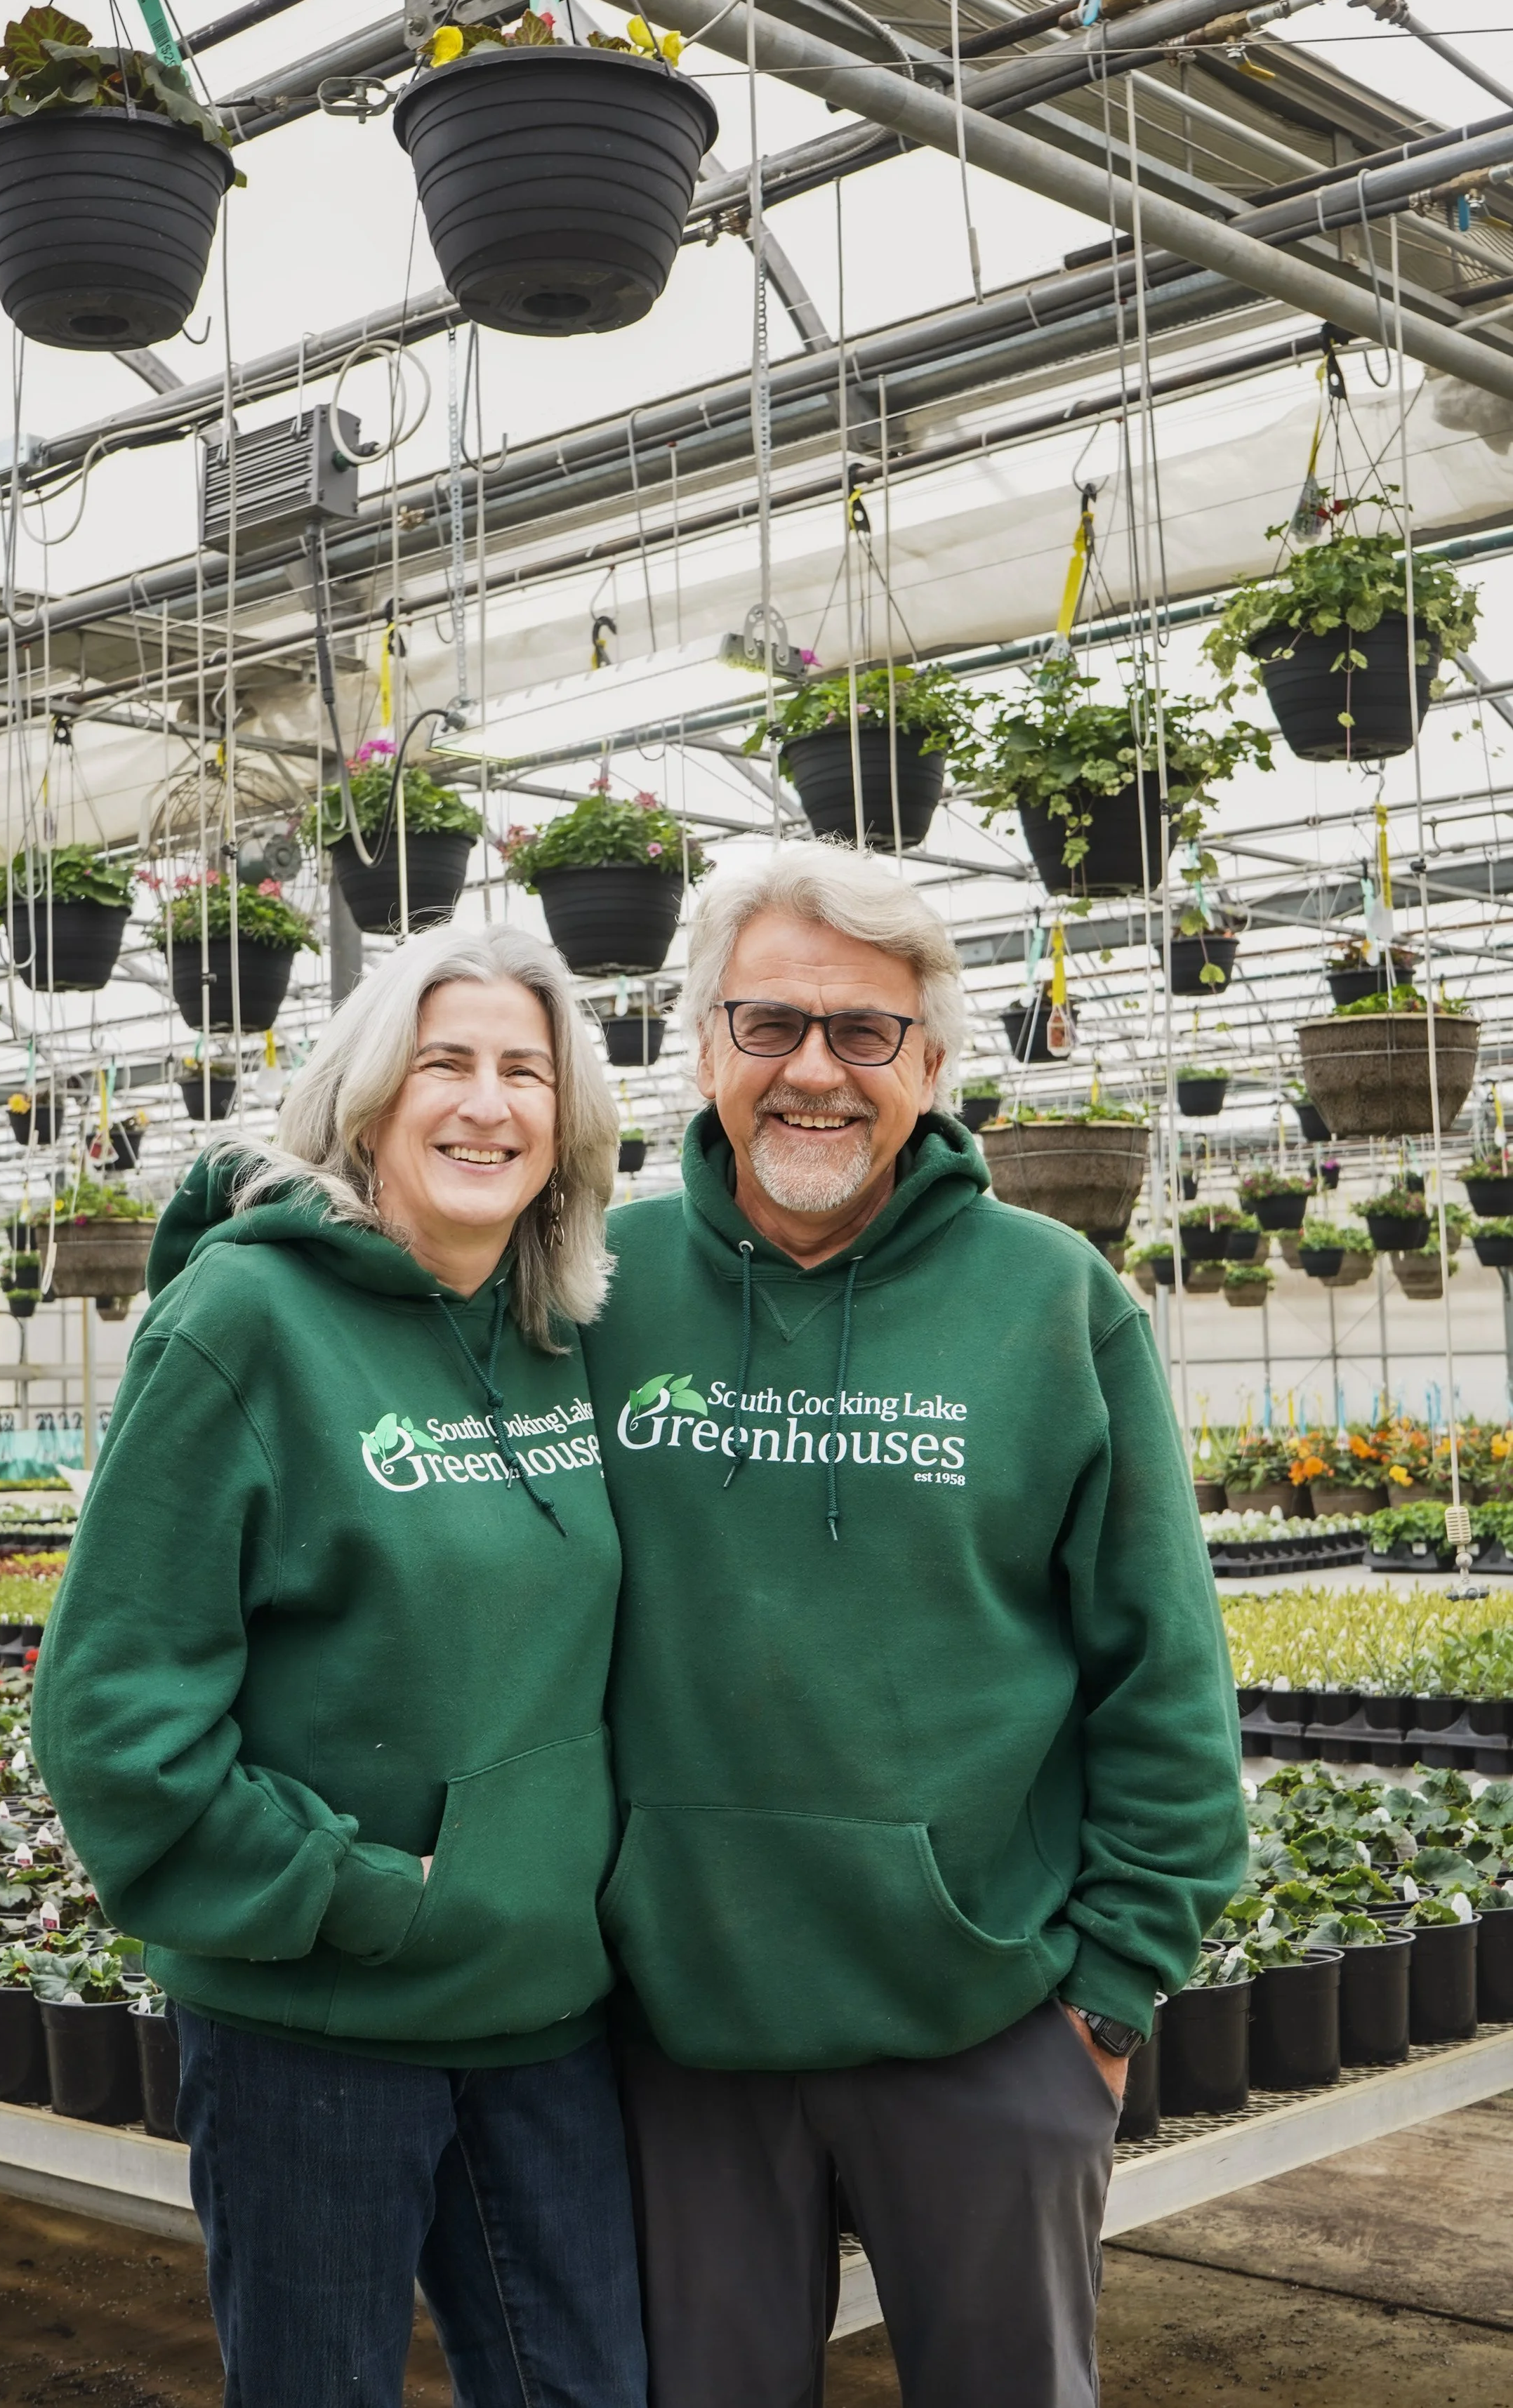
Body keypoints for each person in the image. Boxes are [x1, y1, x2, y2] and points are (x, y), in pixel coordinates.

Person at [580, 840, 1246, 2408]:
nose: (812, 1071)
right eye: (767, 1025)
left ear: (931, 1063)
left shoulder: (1053, 1300)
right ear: (701, 1046)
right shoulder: (591, 1287)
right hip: (676, 2040)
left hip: (983, 2028)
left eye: (862, 1033)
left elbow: (1161, 1665)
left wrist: (1106, 1991)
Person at [32, 922, 645, 2408]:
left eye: (524, 1070)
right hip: (315, 2029)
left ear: (565, 1125)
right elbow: (111, 1715)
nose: (486, 1103)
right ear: (364, 1099)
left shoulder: (564, 1334)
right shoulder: (244, 1326)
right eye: (445, 1063)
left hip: (546, 2021)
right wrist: (359, 1891)